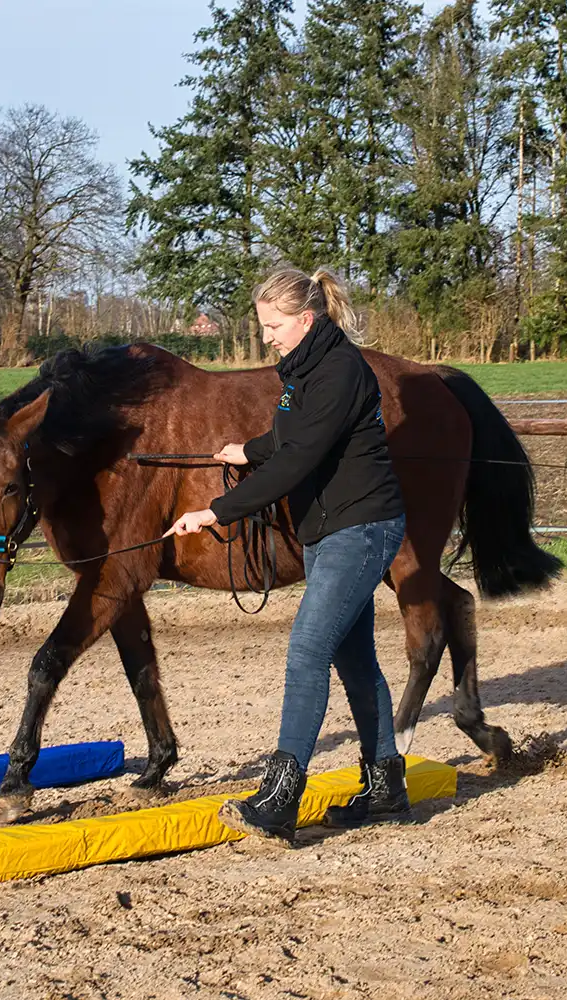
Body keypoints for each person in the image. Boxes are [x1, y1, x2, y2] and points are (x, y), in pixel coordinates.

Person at [163, 265, 407, 845]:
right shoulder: (306, 368)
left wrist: (215, 511)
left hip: (362, 527)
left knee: (307, 650)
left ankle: (279, 797)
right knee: (353, 660)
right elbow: (289, 436)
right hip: (328, 530)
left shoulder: (341, 370)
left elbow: (298, 460)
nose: (267, 336)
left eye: (273, 325)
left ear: (305, 318)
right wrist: (246, 450)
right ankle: (386, 787)